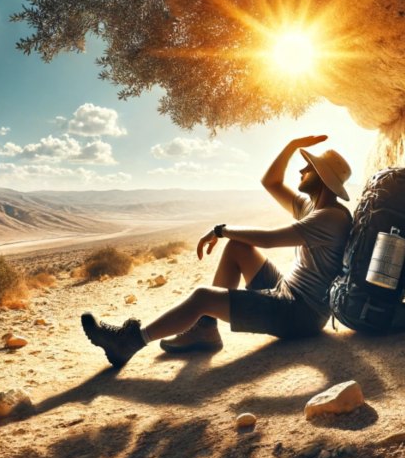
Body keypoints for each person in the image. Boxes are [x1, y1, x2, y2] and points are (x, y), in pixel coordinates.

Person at [81, 135, 353, 367]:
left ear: (322, 178)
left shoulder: (330, 217)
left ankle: (129, 343)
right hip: (288, 291)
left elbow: (270, 239)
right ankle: (205, 330)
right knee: (238, 248)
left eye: (308, 167)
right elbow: (270, 182)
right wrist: (292, 146)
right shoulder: (311, 206)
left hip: (300, 313)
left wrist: (221, 230)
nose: (300, 171)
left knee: (202, 297)